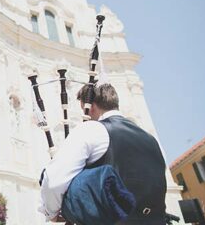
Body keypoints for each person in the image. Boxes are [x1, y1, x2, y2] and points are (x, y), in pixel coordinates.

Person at [39, 83, 166, 224]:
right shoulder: (151, 140)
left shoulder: (92, 129)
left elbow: (53, 180)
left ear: (91, 106)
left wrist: (51, 213)